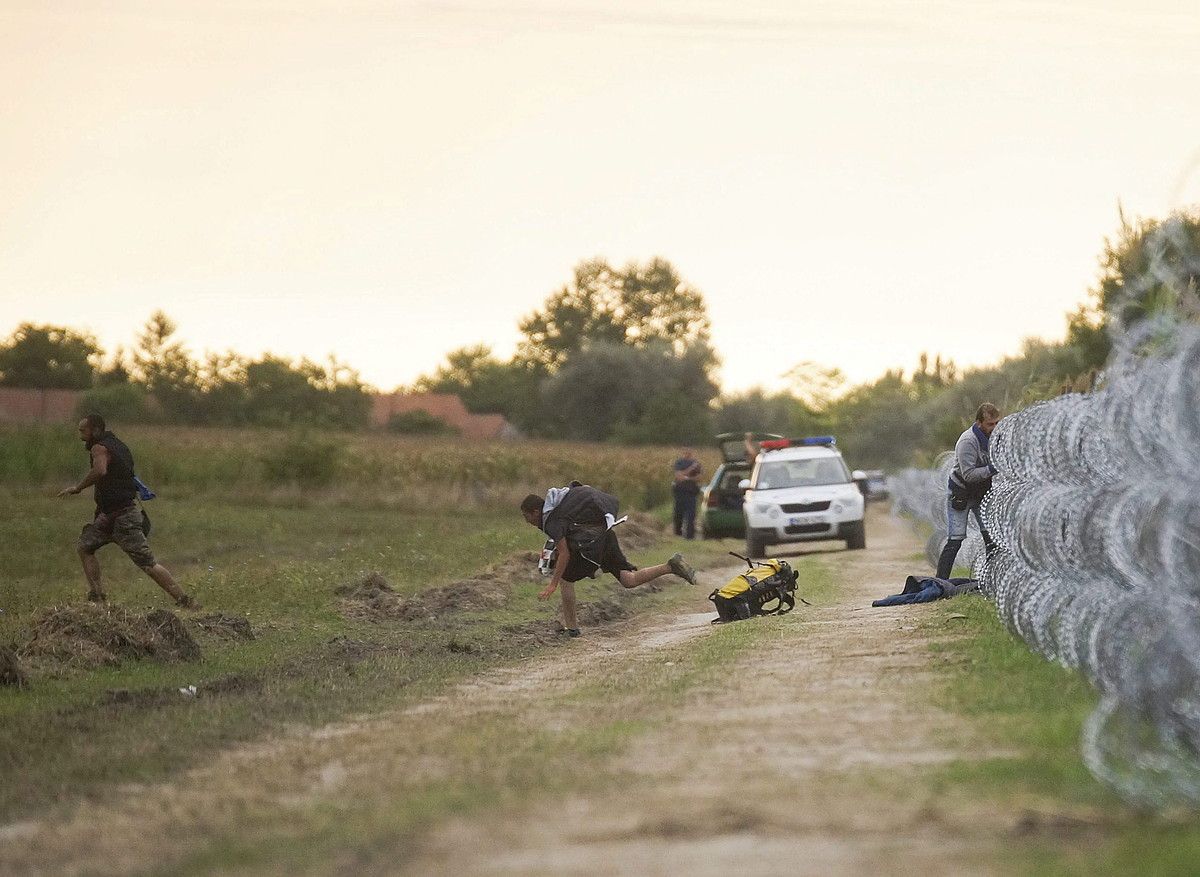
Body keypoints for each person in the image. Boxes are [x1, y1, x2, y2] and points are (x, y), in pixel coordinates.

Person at [520, 483, 698, 637]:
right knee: (629, 580)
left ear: (536, 511)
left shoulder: (550, 520)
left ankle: (572, 629)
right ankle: (670, 566)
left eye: (526, 516)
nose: (527, 521)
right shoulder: (559, 503)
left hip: (591, 546)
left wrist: (553, 583)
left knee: (565, 579)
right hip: (605, 535)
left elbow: (564, 553)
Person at [58, 414, 198, 608]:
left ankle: (185, 601)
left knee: (148, 564)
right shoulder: (119, 445)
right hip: (109, 516)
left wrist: (78, 487)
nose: (81, 436)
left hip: (122, 517)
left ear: (96, 430)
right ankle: (97, 597)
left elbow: (100, 471)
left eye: (84, 431)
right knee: (85, 546)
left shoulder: (99, 448)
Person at [935, 403, 1001, 579]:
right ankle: (941, 581)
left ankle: (994, 579)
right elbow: (969, 474)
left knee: (992, 538)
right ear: (979, 423)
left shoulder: (997, 438)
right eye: (990, 424)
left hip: (982, 494)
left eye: (996, 423)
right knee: (955, 540)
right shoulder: (968, 441)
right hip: (961, 494)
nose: (994, 428)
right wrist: (993, 468)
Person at [671, 448, 702, 539]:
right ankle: (678, 533)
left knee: (691, 515)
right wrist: (691, 469)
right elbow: (678, 476)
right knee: (678, 514)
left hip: (691, 492)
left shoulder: (697, 464)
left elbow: (699, 478)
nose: (688, 454)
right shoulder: (679, 463)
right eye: (686, 452)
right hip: (680, 492)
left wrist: (686, 477)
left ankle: (690, 536)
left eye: (689, 452)